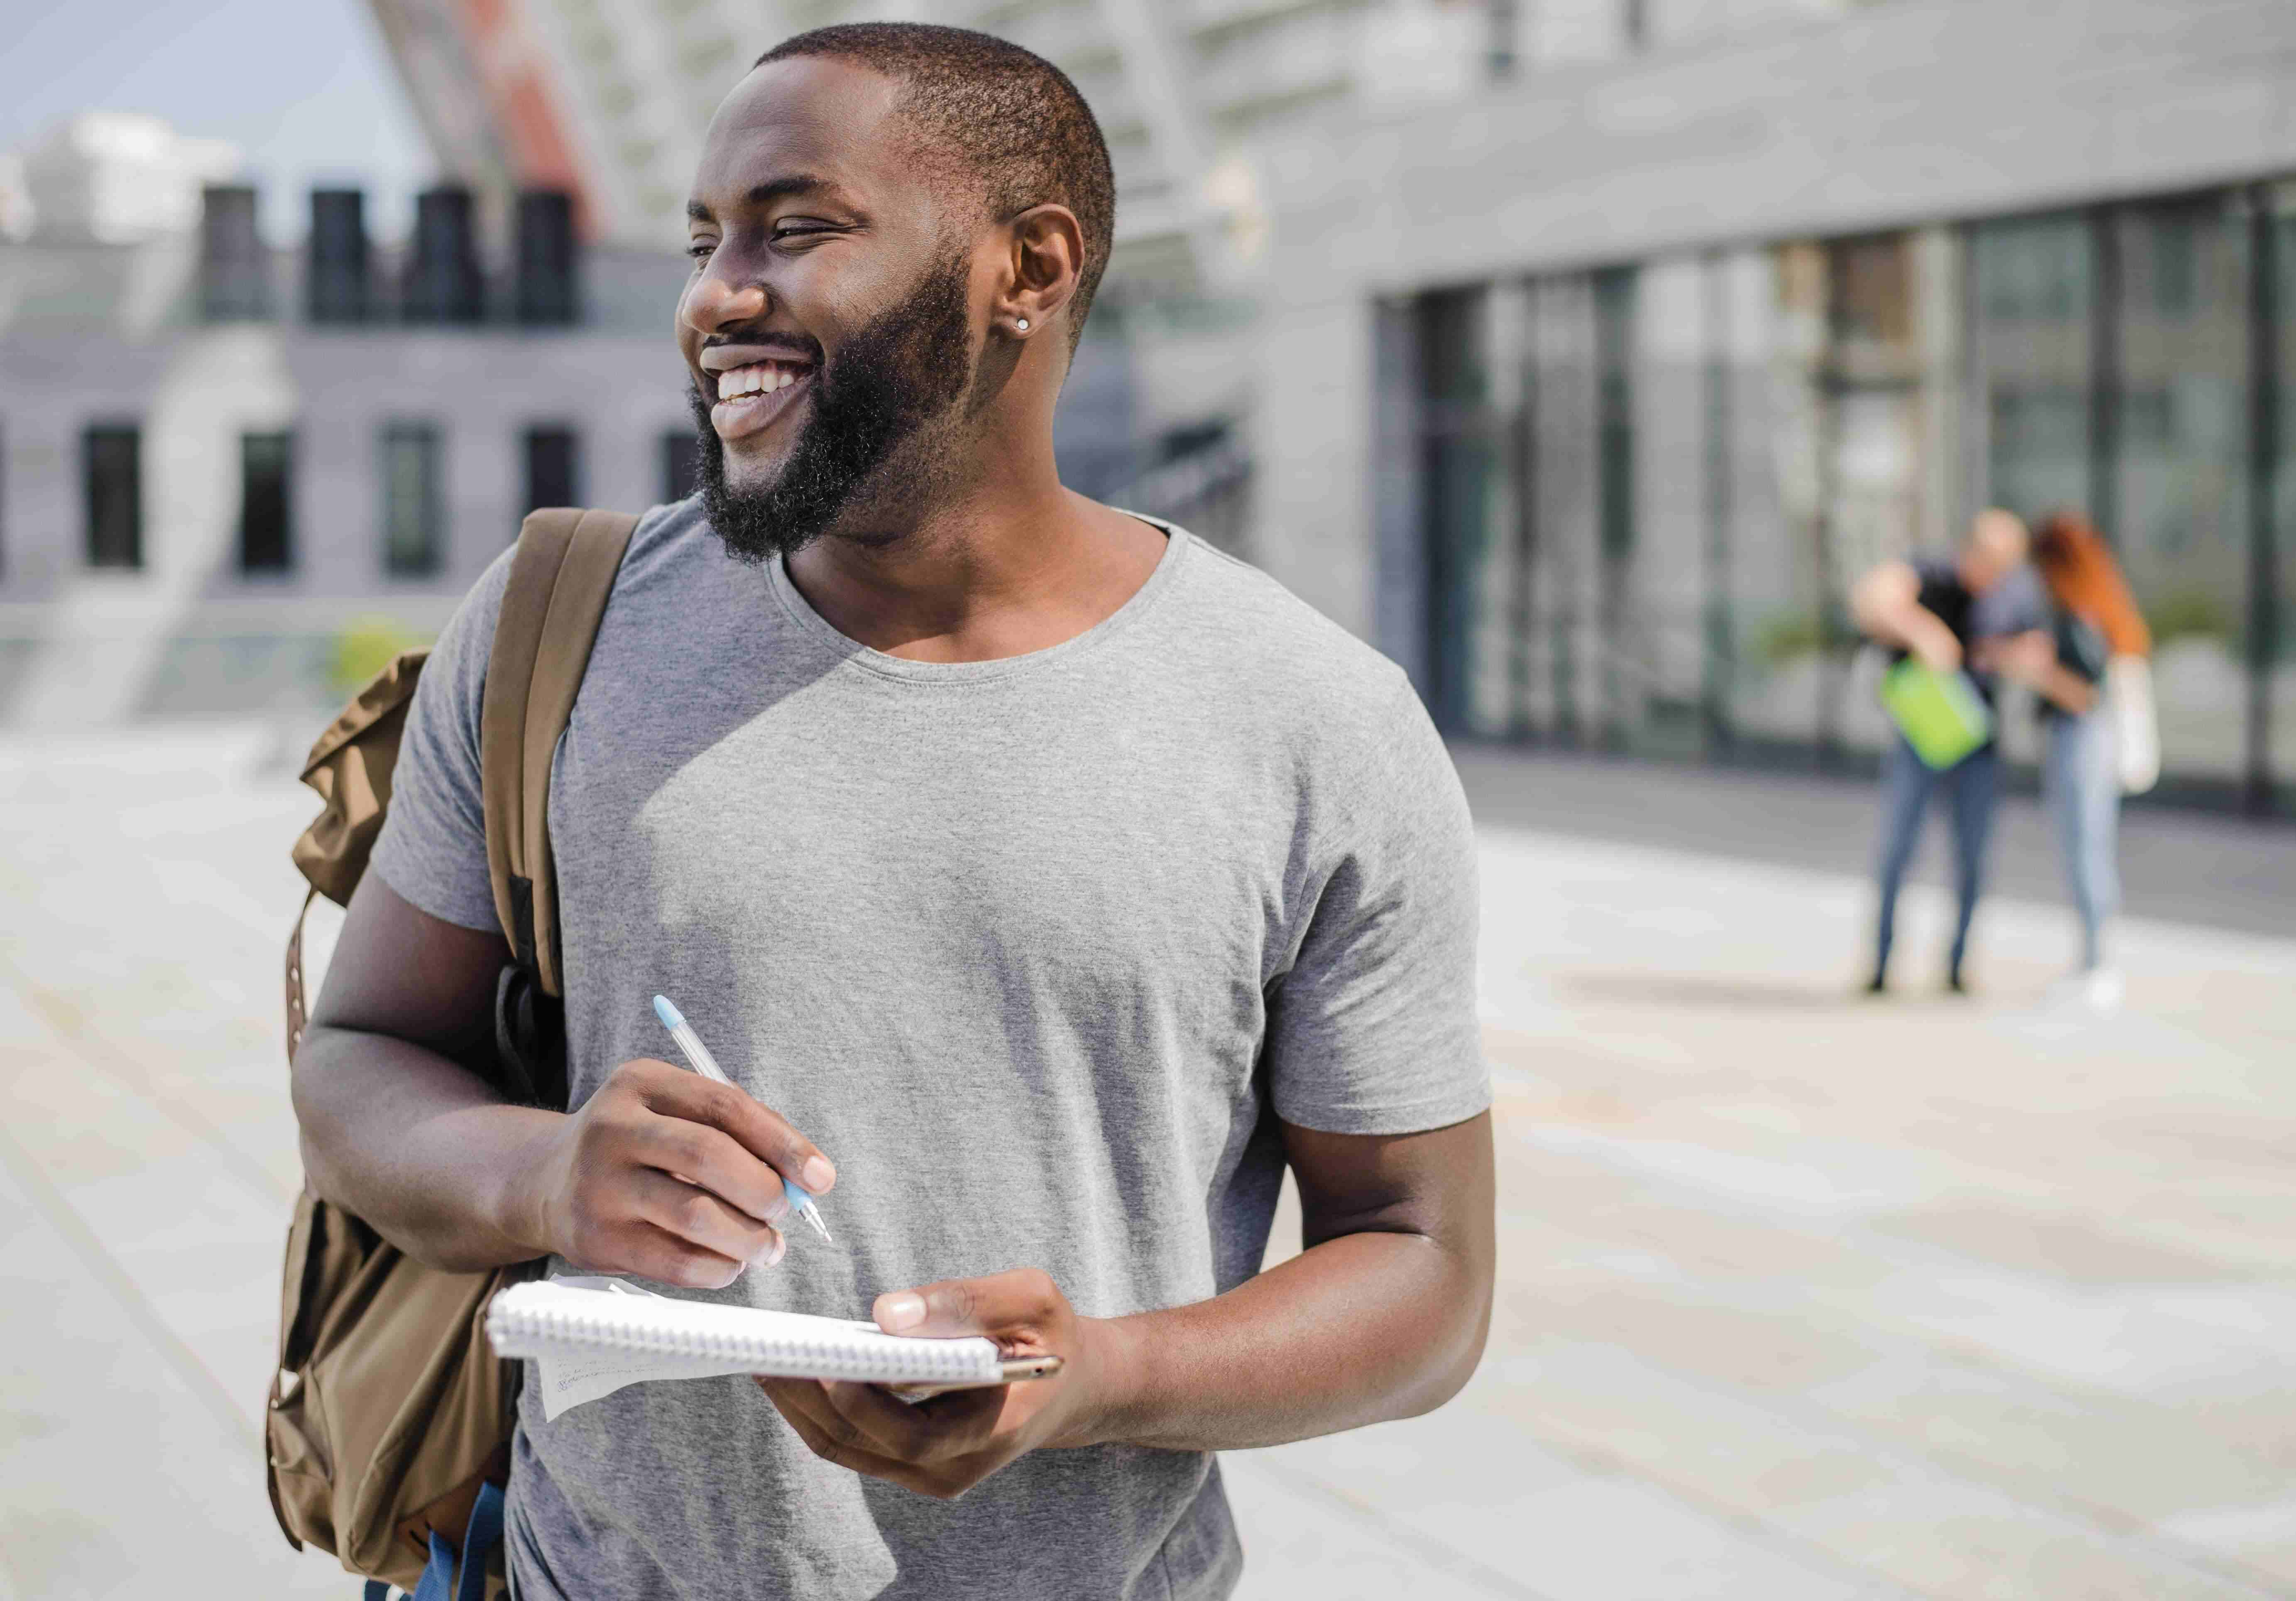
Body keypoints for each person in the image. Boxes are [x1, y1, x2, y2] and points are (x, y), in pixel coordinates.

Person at [289, 24, 1493, 1601]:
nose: (718, 295)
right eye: (706, 239)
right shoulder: (553, 626)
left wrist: (1100, 1373)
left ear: (1030, 269)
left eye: (795, 228)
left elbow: (1427, 1270)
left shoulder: (1316, 720)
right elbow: (360, 1055)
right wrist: (545, 1174)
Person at [1849, 509, 2051, 993]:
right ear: (1972, 549)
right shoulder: (1930, 573)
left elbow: (2038, 651)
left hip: (1977, 745)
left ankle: (1958, 965)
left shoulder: (2014, 596)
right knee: (1898, 852)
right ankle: (1881, 962)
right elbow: (1871, 599)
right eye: (1991, 560)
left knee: (1973, 859)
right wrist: (1924, 633)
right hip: (1919, 738)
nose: (1996, 573)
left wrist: (2004, 656)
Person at [2029, 510, 2156, 1010]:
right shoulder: (2102, 603)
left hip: (2081, 739)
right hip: (2089, 739)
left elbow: (2086, 695)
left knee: (2086, 849)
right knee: (2088, 848)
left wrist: (2035, 668)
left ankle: (2099, 964)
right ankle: (2094, 961)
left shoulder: (2077, 613)